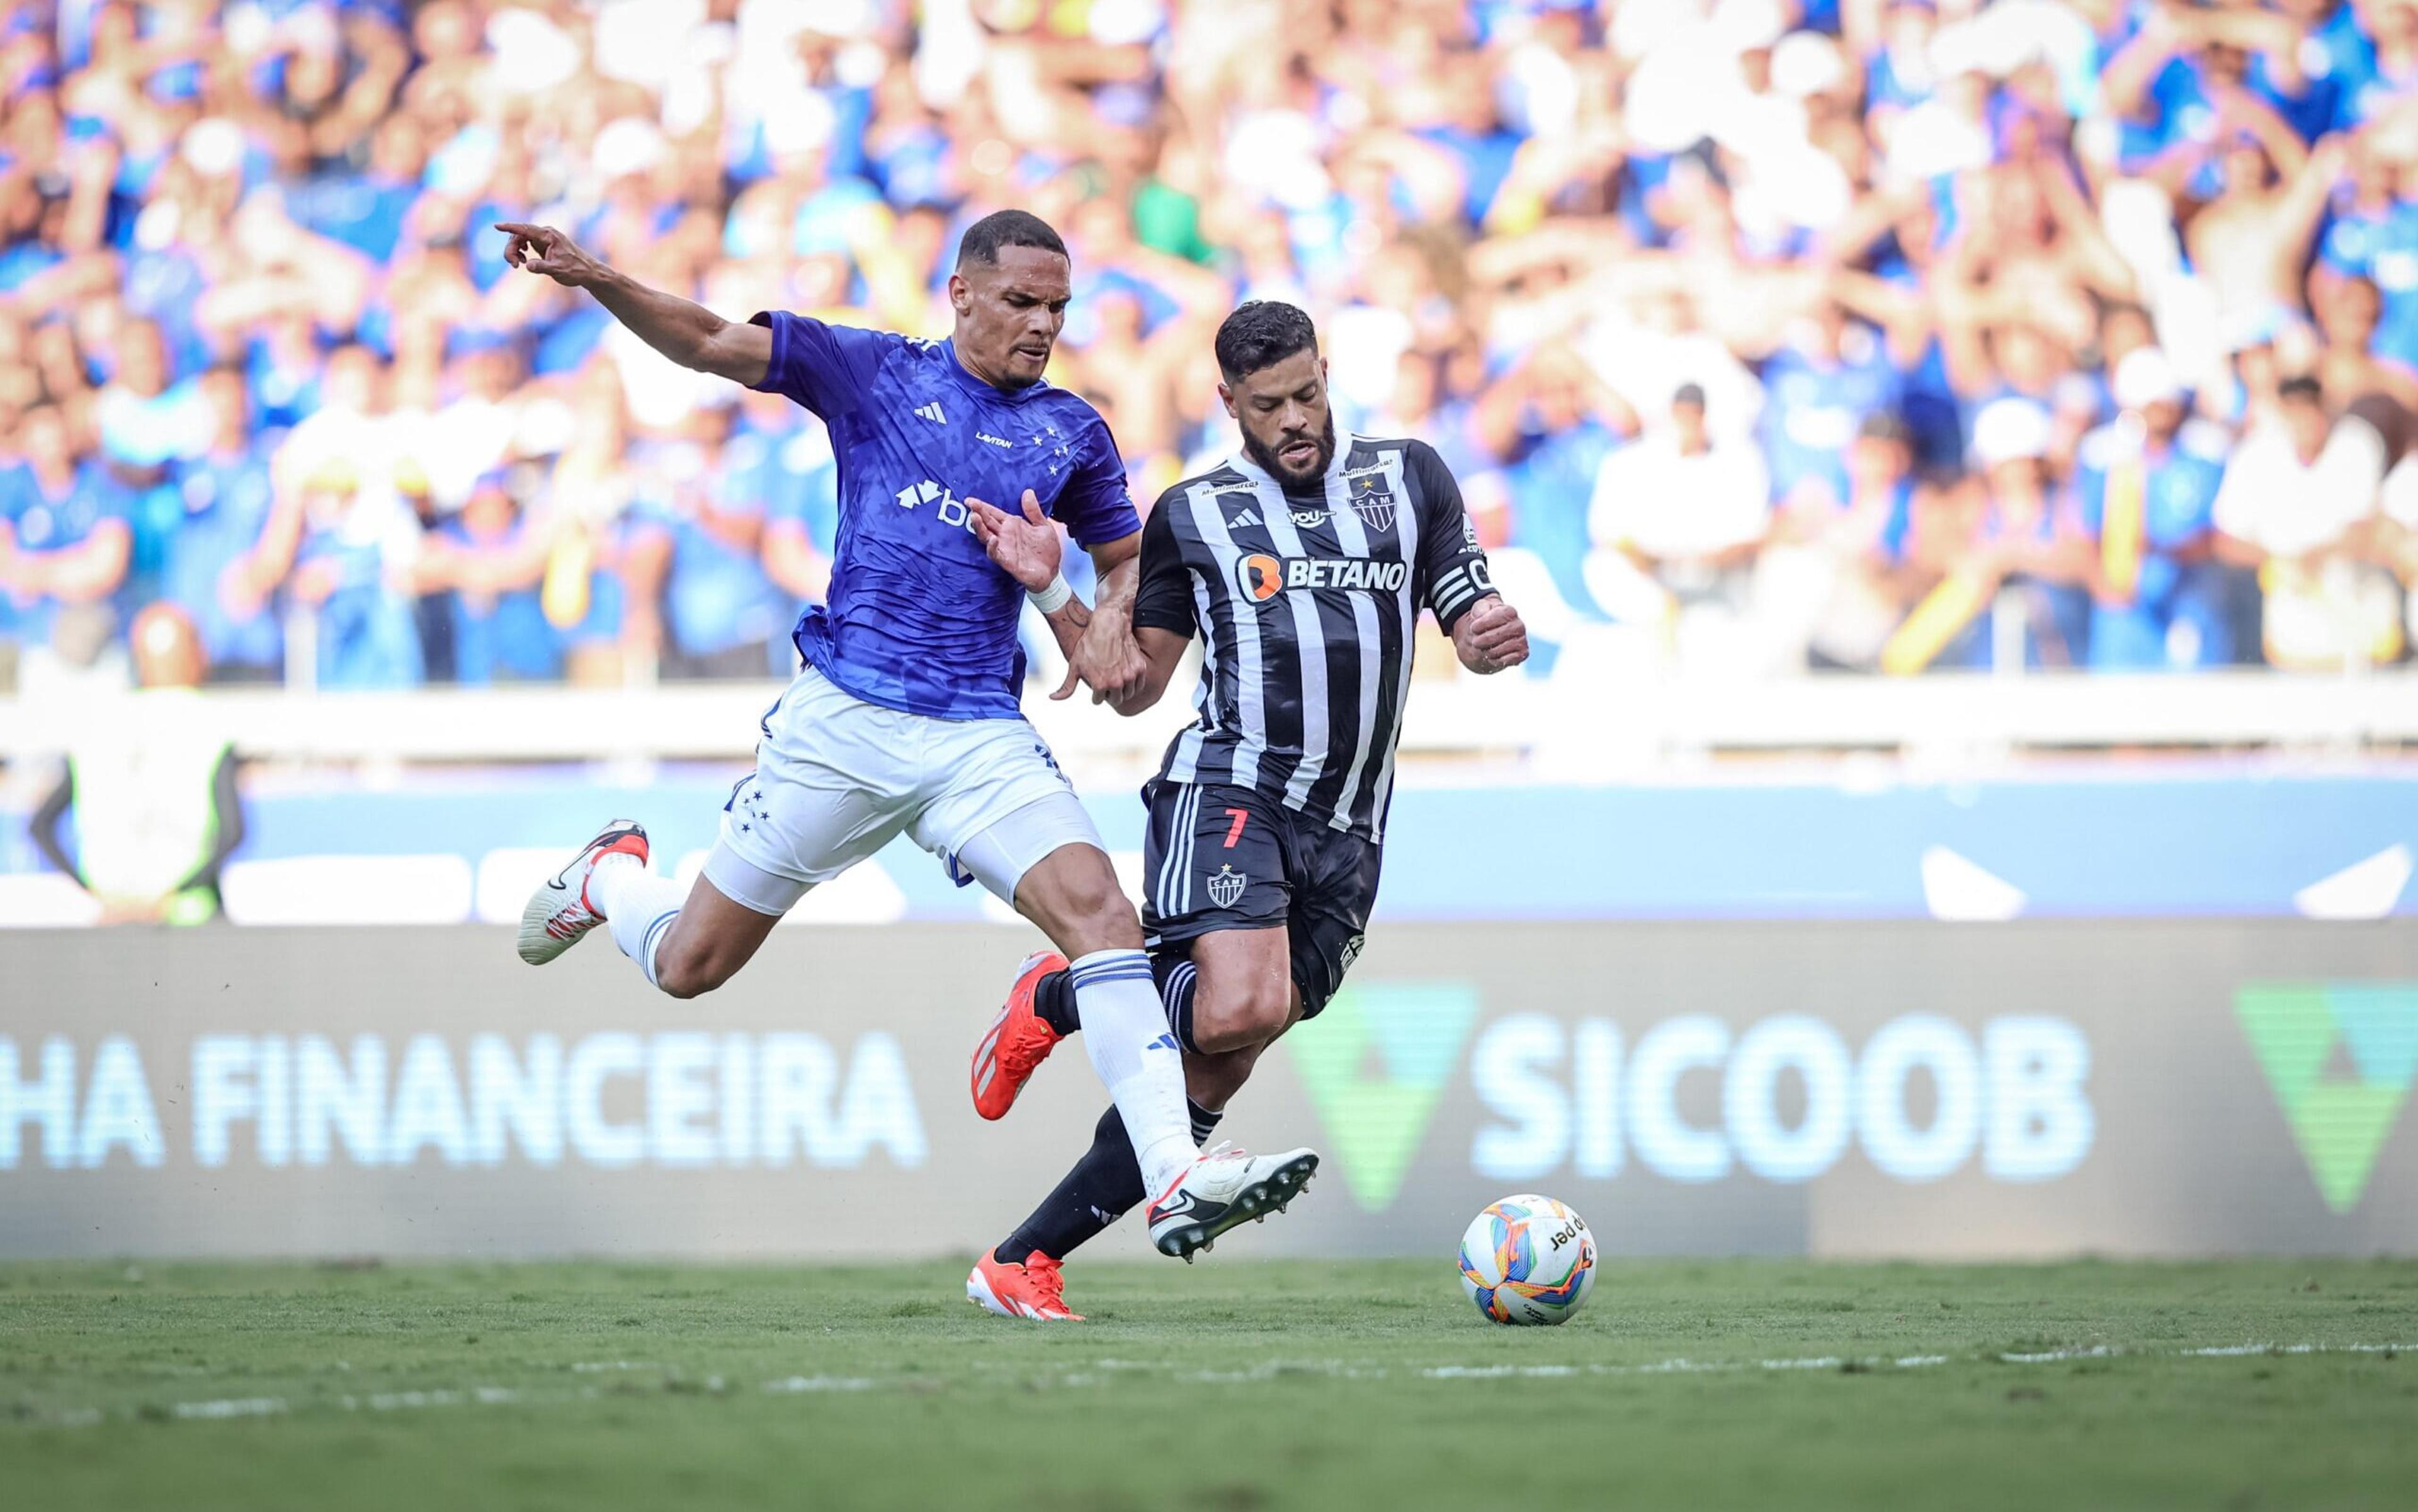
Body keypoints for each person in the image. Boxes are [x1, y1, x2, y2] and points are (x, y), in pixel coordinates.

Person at [500, 208, 1310, 1259]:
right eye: (1022, 301)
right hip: (843, 719)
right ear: (961, 291)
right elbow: (709, 343)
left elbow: (1125, 563)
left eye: (1058, 306)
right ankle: (612, 878)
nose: (1043, 324)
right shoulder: (868, 371)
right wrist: (594, 273)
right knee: (691, 964)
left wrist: (1085, 599)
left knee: (1105, 916)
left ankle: (1177, 1178)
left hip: (978, 730)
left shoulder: (1072, 431)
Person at [958, 301, 1530, 1321]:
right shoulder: (1196, 512)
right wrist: (1056, 598)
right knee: (1236, 1008)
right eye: (1270, 405)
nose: (1297, 418)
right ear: (1229, 404)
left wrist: (1486, 628)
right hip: (1231, 786)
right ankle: (1067, 992)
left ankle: (1021, 1258)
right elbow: (1136, 685)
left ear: (1328, 372)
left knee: (1218, 1059)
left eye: (1310, 393)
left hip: (1351, 824)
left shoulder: (1410, 478)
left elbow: (1464, 598)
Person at [30, 603, 245, 924]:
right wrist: (170, 896)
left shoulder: (98, 725)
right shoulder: (209, 724)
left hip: (111, 918)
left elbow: (40, 826)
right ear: (196, 655)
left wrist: (93, 893)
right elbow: (233, 832)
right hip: (190, 918)